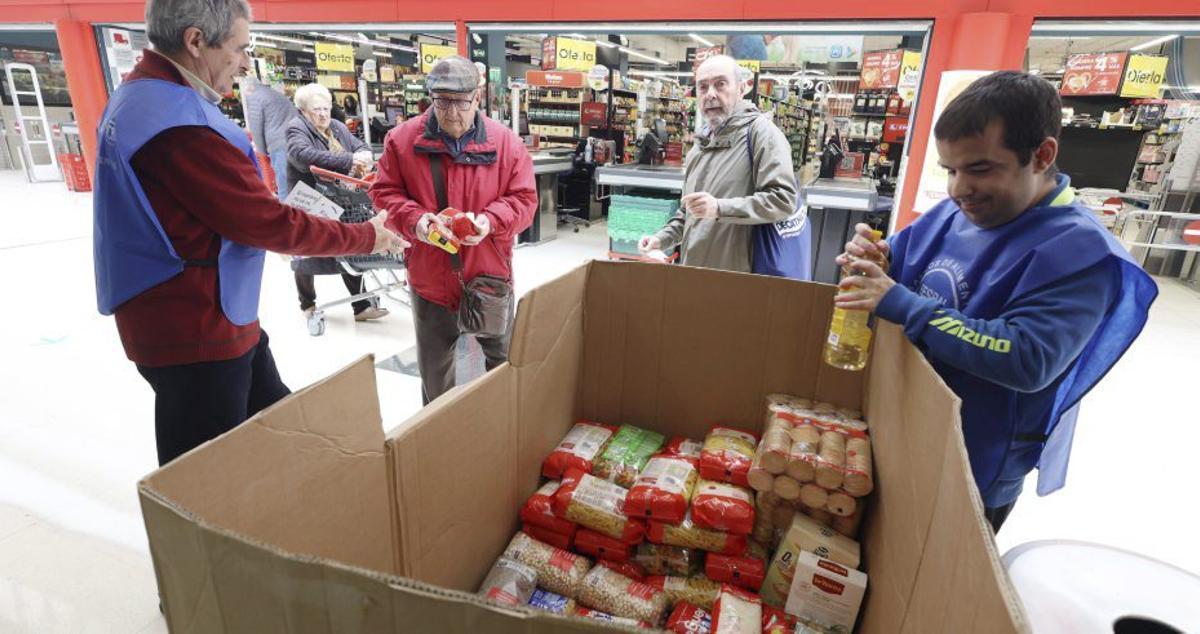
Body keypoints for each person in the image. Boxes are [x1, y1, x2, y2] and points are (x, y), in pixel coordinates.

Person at [834, 71, 1156, 532]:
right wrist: (874, 261)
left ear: (1041, 155)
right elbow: (899, 276)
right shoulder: (955, 211)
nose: (958, 188)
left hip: (973, 466)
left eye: (980, 168)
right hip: (900, 429)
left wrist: (900, 304)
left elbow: (1028, 358)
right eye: (951, 170)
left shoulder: (1081, 254)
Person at [93, 0, 408, 466]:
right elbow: (269, 223)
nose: (245, 63)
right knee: (209, 473)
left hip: (199, 309)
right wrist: (370, 236)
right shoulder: (182, 129)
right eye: (240, 48)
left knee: (277, 419)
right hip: (195, 326)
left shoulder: (138, 96)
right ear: (196, 40)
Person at [369, 56, 536, 404]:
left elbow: (524, 201)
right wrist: (417, 220)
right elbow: (383, 193)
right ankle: (435, 441)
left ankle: (505, 428)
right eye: (442, 101)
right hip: (430, 280)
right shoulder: (402, 141)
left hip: (488, 277)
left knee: (506, 364)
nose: (451, 112)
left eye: (460, 101)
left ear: (478, 98)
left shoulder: (506, 144)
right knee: (435, 376)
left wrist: (489, 222)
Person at [639, 55, 798, 273]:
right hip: (694, 272)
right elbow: (689, 212)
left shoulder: (763, 134)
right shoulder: (700, 144)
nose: (710, 94)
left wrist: (720, 208)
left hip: (737, 280)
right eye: (702, 87)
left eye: (720, 84)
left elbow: (783, 199)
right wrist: (661, 239)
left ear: (741, 89)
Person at [286, 82, 389, 322]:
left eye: (326, 108)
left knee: (349, 247)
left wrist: (362, 154)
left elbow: (359, 145)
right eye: (316, 110)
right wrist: (348, 159)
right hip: (309, 198)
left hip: (339, 197)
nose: (323, 114)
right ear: (303, 111)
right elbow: (301, 156)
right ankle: (307, 303)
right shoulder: (296, 128)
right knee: (305, 254)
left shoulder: (337, 127)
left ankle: (361, 306)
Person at [240, 75, 294, 196]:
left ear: (249, 88)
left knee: (283, 184)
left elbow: (255, 126)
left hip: (278, 144)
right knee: (293, 182)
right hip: (294, 140)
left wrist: (262, 151)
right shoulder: (276, 94)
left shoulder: (255, 96)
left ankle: (285, 211)